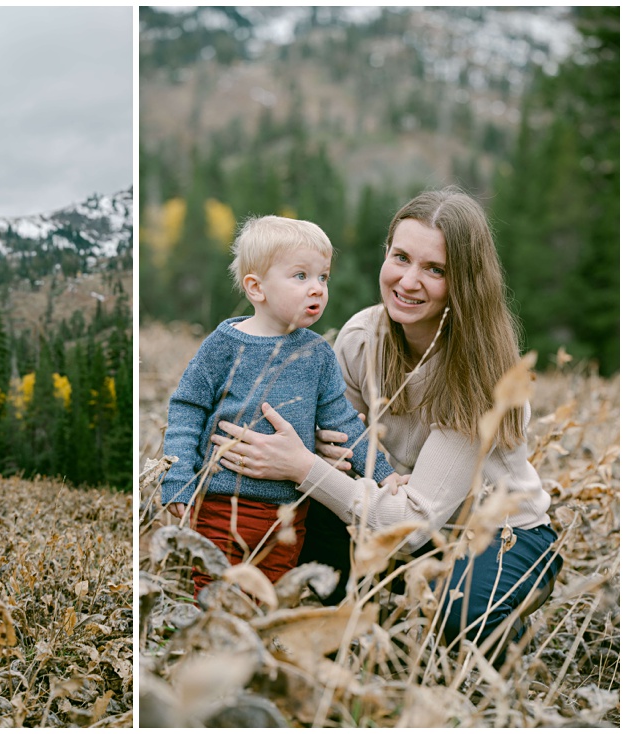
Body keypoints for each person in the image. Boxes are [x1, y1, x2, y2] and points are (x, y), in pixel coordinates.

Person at [211, 187, 563, 663]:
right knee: (295, 536)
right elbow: (330, 438)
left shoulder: (480, 375)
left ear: (464, 280)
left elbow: (412, 524)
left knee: (460, 619)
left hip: (495, 533)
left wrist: (304, 466)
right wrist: (316, 452)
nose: (408, 281)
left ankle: (510, 613)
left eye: (434, 269)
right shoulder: (362, 337)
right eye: (401, 257)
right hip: (393, 507)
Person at [160, 215, 402, 595]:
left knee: (270, 596)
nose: (317, 289)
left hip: (288, 512)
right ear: (256, 288)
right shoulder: (224, 345)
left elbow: (344, 423)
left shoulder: (317, 355)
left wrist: (382, 471)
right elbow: (188, 408)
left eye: (323, 277)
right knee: (215, 591)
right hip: (222, 503)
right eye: (300, 276)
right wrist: (177, 478)